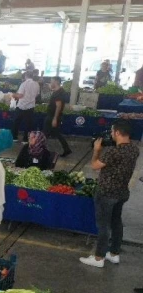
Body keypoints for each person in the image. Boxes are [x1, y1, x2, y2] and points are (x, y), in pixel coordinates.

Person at [80, 121, 139, 268]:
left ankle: (99, 258)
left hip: (106, 193)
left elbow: (94, 166)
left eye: (112, 132)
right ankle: (114, 254)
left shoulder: (113, 152)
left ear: (118, 133)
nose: (111, 134)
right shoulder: (134, 149)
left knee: (103, 225)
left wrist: (96, 150)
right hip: (122, 192)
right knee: (116, 222)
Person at [44, 77, 71, 157]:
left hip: (52, 116)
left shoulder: (58, 93)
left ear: (56, 82)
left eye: (51, 81)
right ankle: (67, 149)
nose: (50, 83)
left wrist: (55, 119)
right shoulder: (60, 91)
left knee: (45, 134)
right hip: (54, 116)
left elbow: (58, 106)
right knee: (56, 133)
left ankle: (40, 150)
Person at [11, 71, 40, 143]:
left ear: (26, 76)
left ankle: (14, 137)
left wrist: (13, 95)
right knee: (29, 124)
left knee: (16, 122)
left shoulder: (24, 84)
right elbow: (37, 95)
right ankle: (26, 140)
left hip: (21, 106)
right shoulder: (37, 84)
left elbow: (20, 95)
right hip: (30, 106)